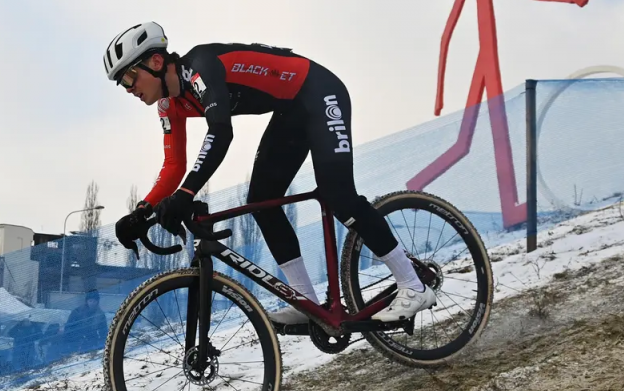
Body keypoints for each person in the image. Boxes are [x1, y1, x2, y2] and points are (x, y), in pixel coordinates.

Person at [106, 23, 436, 325]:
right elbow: (174, 166)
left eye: (129, 77)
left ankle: (413, 284)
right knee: (262, 202)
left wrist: (186, 193)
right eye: (122, 83)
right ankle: (307, 303)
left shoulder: (199, 68)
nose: (128, 88)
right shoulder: (169, 105)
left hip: (319, 91)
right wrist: (142, 210)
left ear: (156, 62)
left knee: (339, 194)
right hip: (291, 110)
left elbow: (220, 131)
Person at [63, 290, 108, 354]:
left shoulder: (100, 315)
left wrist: (101, 347)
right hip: (75, 342)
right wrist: (69, 343)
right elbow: (68, 327)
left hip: (91, 344)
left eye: (94, 301)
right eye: (90, 301)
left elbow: (103, 332)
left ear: (97, 302)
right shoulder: (77, 312)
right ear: (86, 301)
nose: (92, 303)